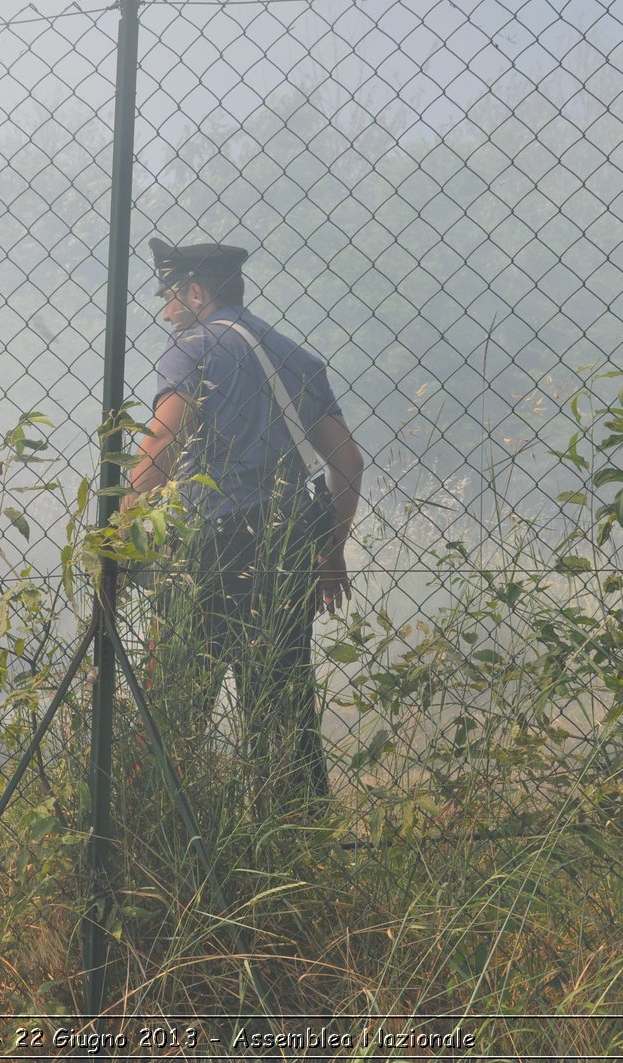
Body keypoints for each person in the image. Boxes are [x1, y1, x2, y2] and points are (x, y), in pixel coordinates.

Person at [120, 237, 364, 813]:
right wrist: (329, 552)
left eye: (169, 298)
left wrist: (122, 542)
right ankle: (299, 839)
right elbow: (347, 462)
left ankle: (152, 828)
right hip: (287, 542)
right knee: (281, 703)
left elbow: (159, 452)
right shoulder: (296, 357)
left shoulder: (192, 348)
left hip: (211, 547)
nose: (165, 311)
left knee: (176, 697)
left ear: (195, 293)